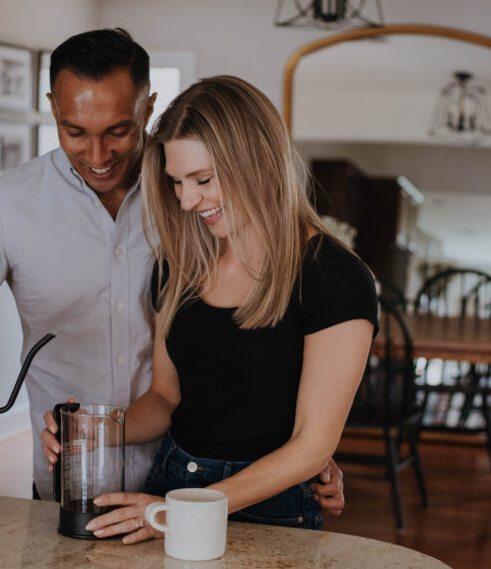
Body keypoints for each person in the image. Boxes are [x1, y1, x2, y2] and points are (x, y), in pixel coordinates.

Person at [0, 29, 345, 512]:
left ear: (148, 106)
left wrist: (304, 453)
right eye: (76, 132)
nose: (97, 156)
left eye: (118, 130)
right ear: (52, 108)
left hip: (180, 477)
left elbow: (266, 336)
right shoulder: (6, 206)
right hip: (68, 479)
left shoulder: (195, 197)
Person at [42, 75, 377, 540]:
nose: (186, 199)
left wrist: (184, 511)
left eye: (202, 179)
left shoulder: (335, 278)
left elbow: (312, 445)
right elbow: (166, 398)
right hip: (169, 483)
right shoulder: (177, 268)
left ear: (258, 161)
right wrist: (96, 429)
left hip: (269, 507)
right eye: (177, 182)